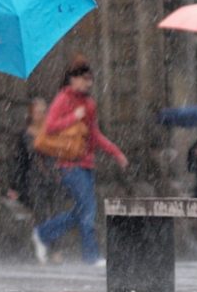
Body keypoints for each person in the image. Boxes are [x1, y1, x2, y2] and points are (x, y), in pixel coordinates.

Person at [30, 56, 128, 267]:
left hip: (86, 164)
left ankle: (43, 233)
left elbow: (95, 134)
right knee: (88, 207)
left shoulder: (90, 104)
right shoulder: (62, 99)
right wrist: (74, 116)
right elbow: (50, 127)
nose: (87, 83)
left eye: (90, 79)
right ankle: (90, 255)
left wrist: (115, 152)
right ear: (73, 79)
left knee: (83, 209)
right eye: (83, 79)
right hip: (68, 163)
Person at [6, 97, 56, 221]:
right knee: (41, 216)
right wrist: (15, 186)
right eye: (38, 112)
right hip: (34, 181)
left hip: (54, 180)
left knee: (57, 216)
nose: (41, 115)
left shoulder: (53, 133)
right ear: (31, 114)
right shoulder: (25, 136)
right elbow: (20, 162)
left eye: (44, 112)